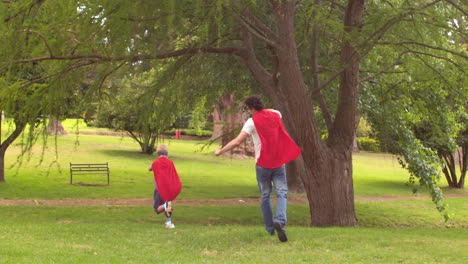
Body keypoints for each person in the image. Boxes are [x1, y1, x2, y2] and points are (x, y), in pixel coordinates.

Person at [214, 95, 301, 242]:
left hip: (263, 165)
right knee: (282, 193)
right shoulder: (276, 114)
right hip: (279, 163)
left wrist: (221, 151)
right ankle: (280, 220)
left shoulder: (251, 122)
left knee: (265, 195)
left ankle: (270, 228)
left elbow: (237, 141)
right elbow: (272, 110)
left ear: (250, 109)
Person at [149, 144, 182, 229]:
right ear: (167, 153)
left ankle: (165, 205)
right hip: (169, 188)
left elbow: (149, 168)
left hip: (160, 188)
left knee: (158, 208)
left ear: (157, 153)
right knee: (168, 202)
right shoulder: (170, 163)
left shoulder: (155, 163)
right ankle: (168, 222)